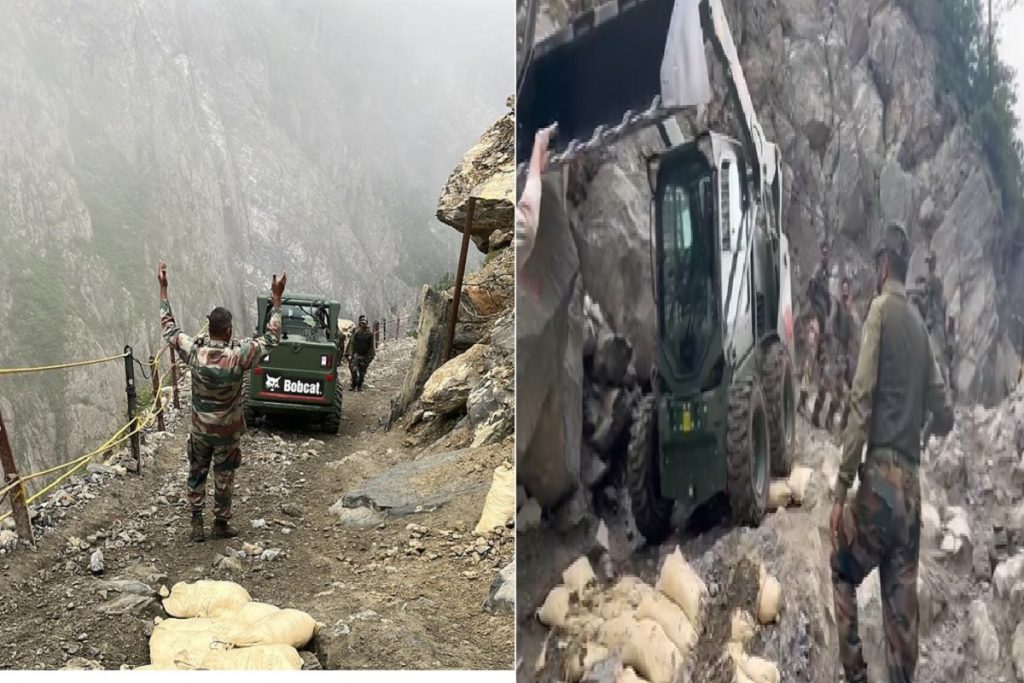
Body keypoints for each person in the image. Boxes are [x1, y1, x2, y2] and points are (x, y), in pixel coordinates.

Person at [829, 223, 953, 683]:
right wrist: (915, 423)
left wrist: (842, 487)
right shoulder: (922, 329)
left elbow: (861, 401)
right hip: (913, 494)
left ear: (883, 265)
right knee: (902, 627)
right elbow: (945, 415)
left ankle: (857, 675)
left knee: (842, 571)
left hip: (878, 484)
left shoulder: (880, 312)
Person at [158, 261, 286, 542]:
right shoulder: (239, 356)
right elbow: (271, 338)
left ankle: (195, 524)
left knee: (197, 472)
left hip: (201, 431)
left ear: (211, 328)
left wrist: (164, 290)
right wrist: (276, 299)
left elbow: (170, 331)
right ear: (228, 331)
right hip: (227, 432)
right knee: (224, 477)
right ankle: (220, 524)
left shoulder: (195, 353)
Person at [812, 276, 857, 431]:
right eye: (843, 287)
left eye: (847, 287)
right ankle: (816, 414)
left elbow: (853, 333)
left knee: (838, 392)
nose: (845, 290)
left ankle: (829, 420)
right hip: (834, 349)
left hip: (843, 354)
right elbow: (831, 320)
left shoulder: (850, 309)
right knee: (826, 384)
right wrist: (828, 335)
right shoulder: (837, 305)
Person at [345, 315, 375, 391]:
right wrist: (350, 354)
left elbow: (371, 346)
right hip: (356, 355)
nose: (362, 324)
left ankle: (359, 386)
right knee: (354, 370)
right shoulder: (356, 332)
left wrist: (371, 356)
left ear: (366, 324)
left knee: (362, 372)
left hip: (365, 355)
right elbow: (351, 343)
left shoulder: (370, 334)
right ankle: (353, 385)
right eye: (361, 323)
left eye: (364, 323)